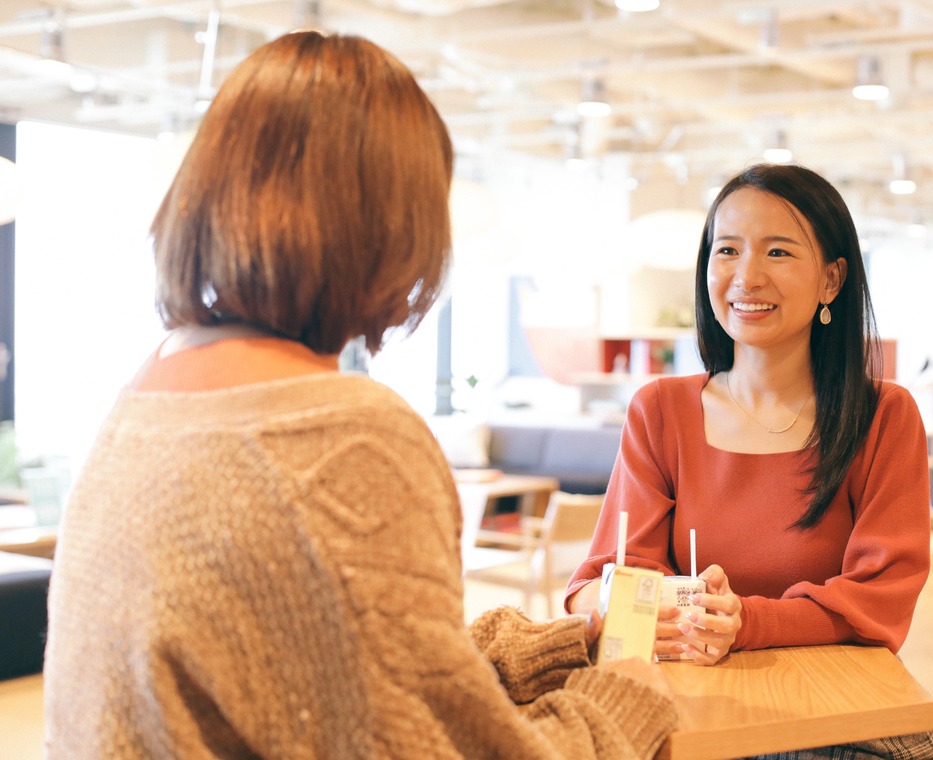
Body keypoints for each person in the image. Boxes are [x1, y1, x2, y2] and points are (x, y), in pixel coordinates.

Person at [42, 30, 676, 759]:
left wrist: (545, 649)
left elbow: (317, 664)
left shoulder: (145, 401)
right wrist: (624, 700)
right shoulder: (346, 438)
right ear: (394, 224)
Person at [565, 163, 933, 758]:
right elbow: (605, 579)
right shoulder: (660, 411)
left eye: (778, 252)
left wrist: (746, 621)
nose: (747, 276)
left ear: (832, 279)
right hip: (692, 714)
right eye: (728, 250)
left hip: (840, 723)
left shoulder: (883, 415)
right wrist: (653, 609)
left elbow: (880, 597)